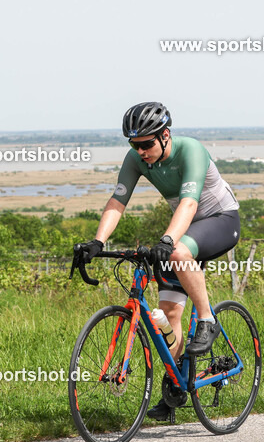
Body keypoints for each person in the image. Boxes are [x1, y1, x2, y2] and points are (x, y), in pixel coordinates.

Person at [75, 101, 241, 421]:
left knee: (178, 253)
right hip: (186, 228)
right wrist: (98, 241)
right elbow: (118, 199)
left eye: (146, 144)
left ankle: (208, 320)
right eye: (133, 145)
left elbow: (190, 204)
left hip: (220, 220)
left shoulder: (190, 150)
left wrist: (167, 241)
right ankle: (175, 388)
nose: (140, 151)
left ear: (165, 135)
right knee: (168, 314)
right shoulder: (138, 158)